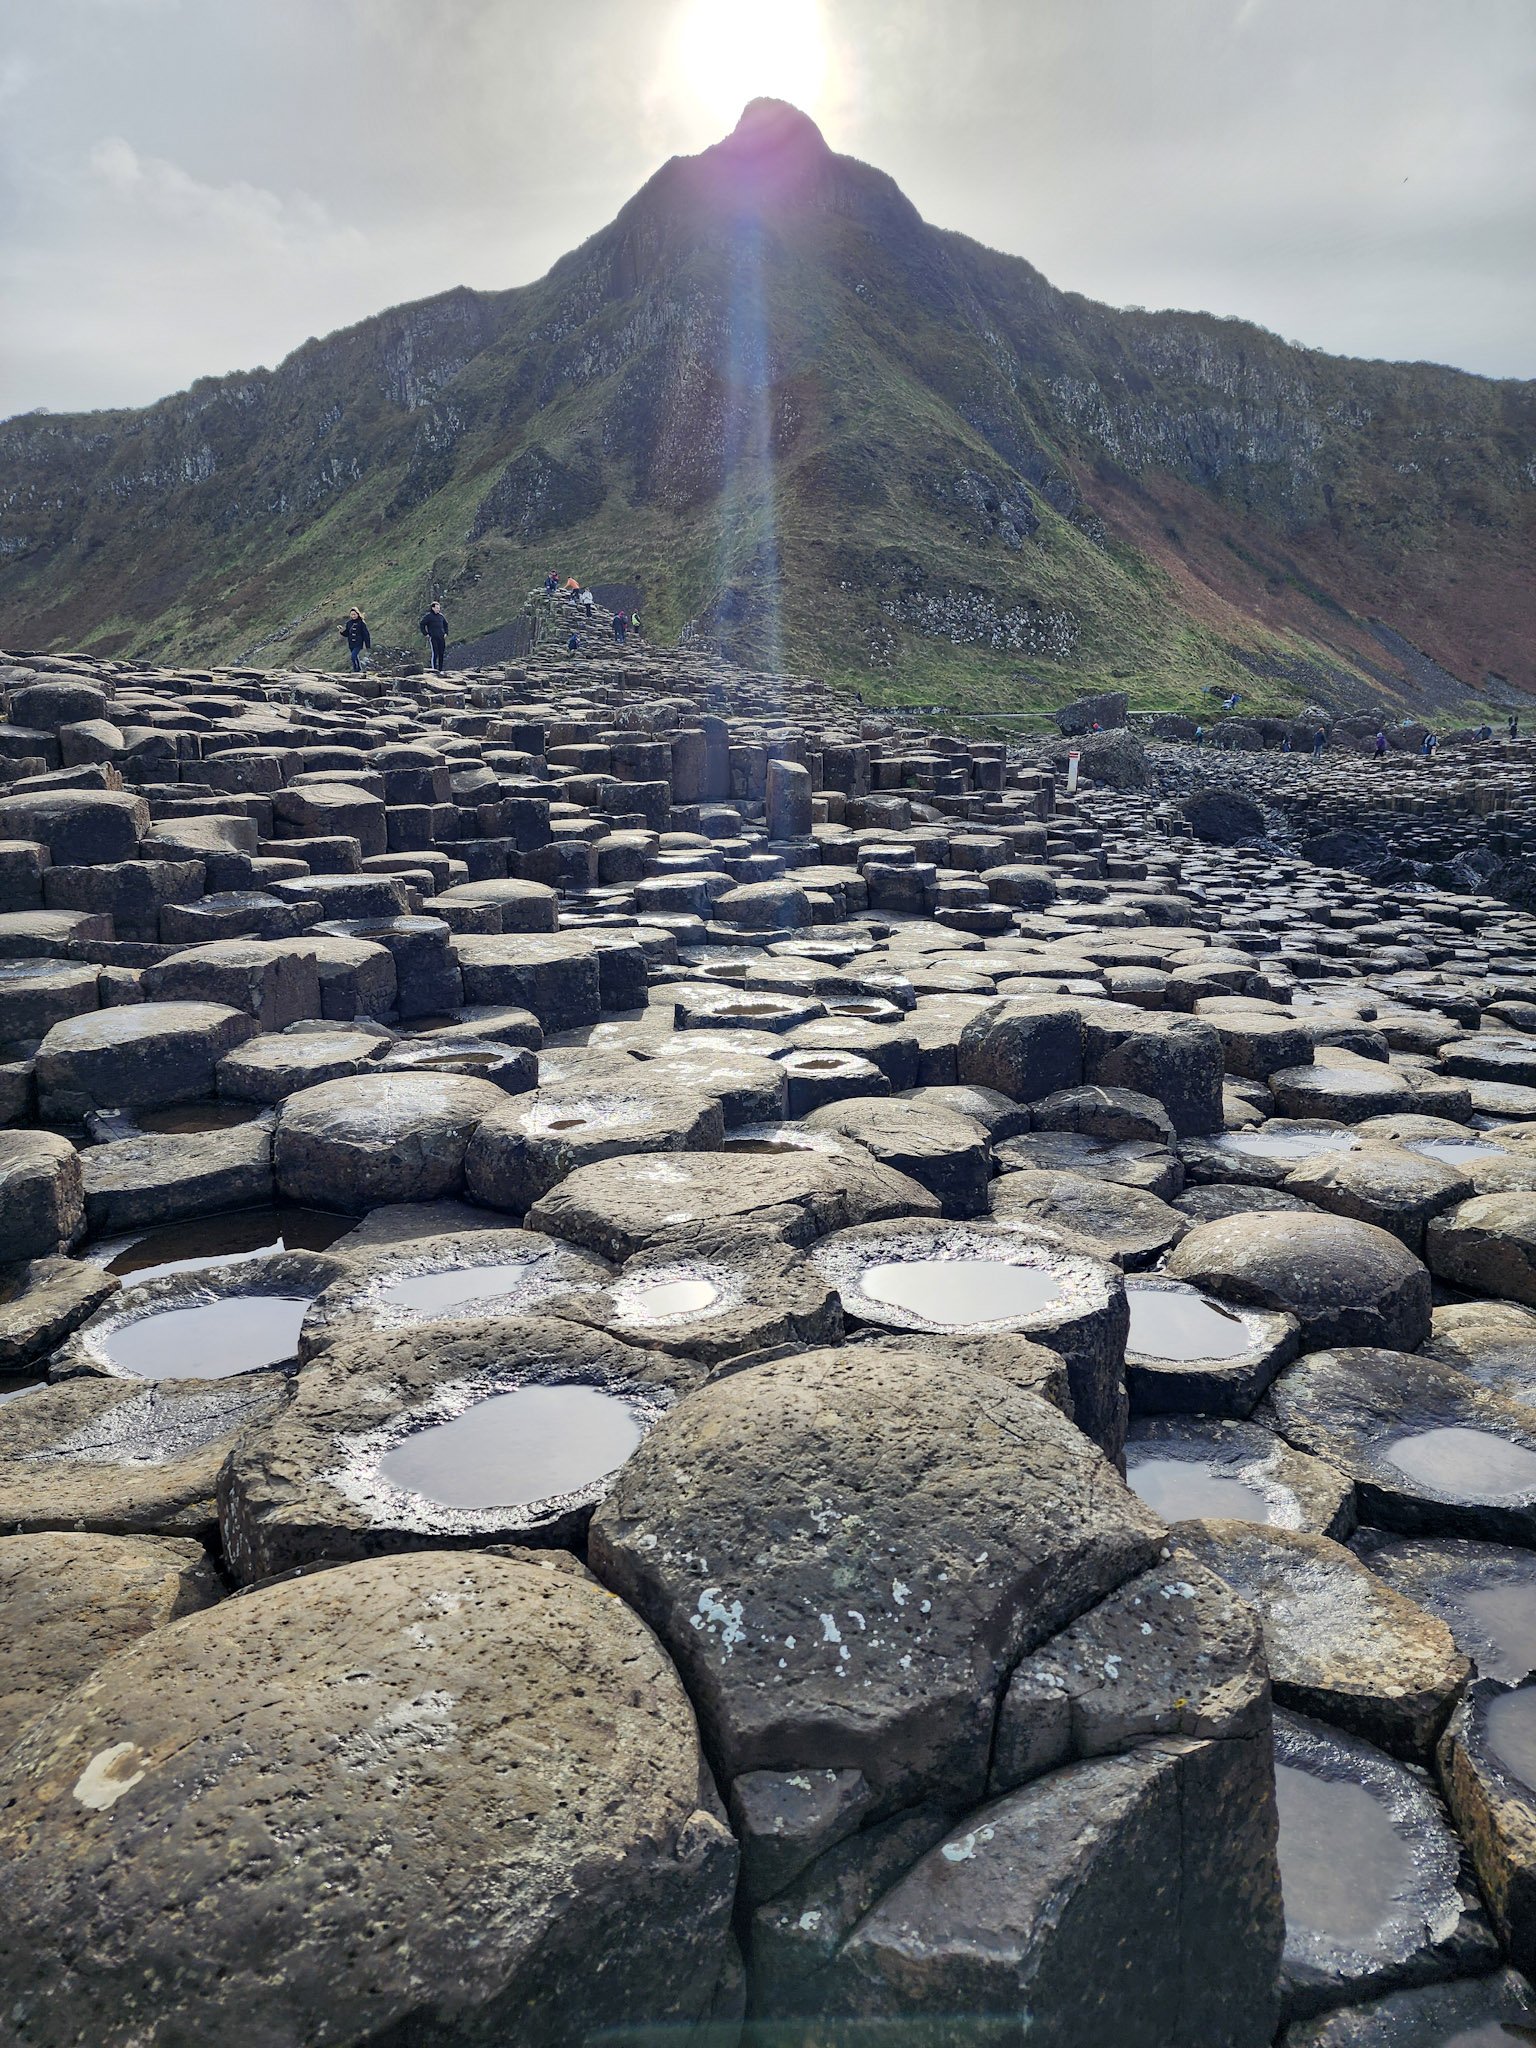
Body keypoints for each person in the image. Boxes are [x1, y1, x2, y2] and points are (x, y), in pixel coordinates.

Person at [419, 600, 448, 673]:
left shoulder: (441, 616)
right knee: (435, 653)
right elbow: (422, 624)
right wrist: (426, 633)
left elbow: (446, 624)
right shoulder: (428, 616)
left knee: (441, 653)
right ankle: (434, 669)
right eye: (437, 608)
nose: (439, 609)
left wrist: (446, 633)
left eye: (439, 608)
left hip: (441, 637)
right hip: (433, 637)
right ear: (433, 608)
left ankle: (440, 669)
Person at [339, 608, 371, 672]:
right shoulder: (349, 623)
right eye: (352, 615)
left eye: (354, 614)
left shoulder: (361, 623)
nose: (353, 616)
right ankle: (358, 669)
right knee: (355, 657)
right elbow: (347, 633)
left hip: (358, 643)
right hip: (351, 643)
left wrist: (368, 645)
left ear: (358, 614)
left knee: (353, 656)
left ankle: (356, 670)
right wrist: (342, 631)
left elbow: (366, 634)